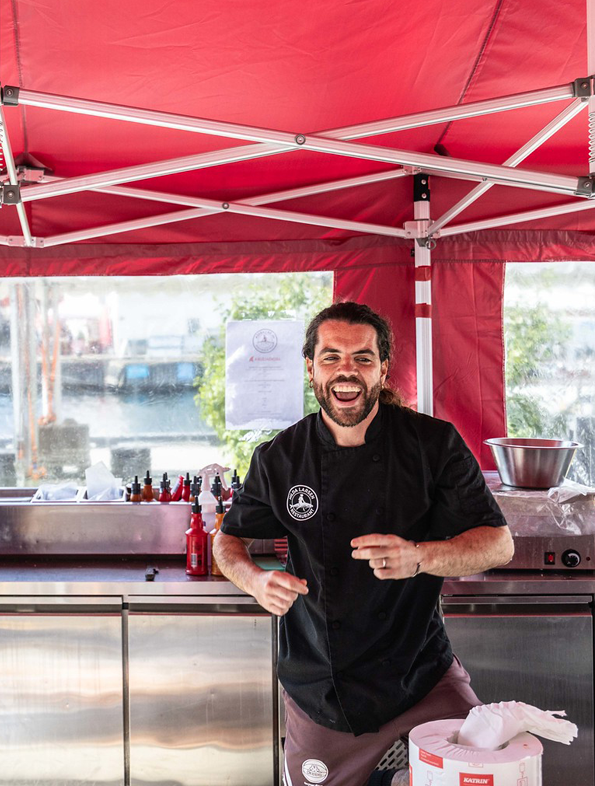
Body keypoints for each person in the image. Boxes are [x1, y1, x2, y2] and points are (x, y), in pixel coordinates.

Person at [213, 301, 514, 786]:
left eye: (362, 358)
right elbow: (227, 541)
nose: (346, 370)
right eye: (331, 357)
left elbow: (499, 544)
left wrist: (421, 557)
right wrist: (255, 580)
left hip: (422, 674)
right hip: (322, 686)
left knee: (485, 773)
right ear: (310, 366)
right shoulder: (279, 457)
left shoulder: (433, 445)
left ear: (383, 368)